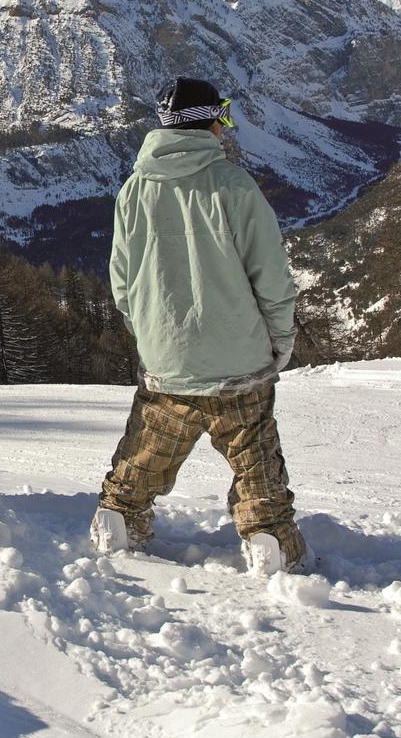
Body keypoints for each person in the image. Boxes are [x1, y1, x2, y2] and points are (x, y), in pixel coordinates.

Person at [91, 77, 307, 575]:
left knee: (146, 452)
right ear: (211, 121)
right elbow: (270, 274)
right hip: (239, 358)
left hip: (167, 359)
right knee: (254, 458)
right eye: (222, 116)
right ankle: (268, 540)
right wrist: (280, 338)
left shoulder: (134, 189)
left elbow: (122, 282)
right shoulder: (232, 185)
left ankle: (120, 519)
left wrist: (150, 334)